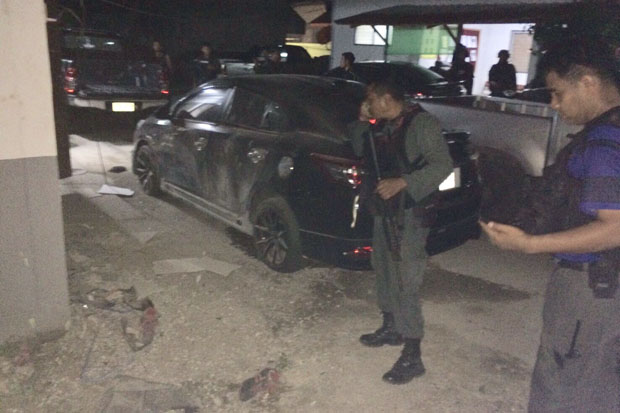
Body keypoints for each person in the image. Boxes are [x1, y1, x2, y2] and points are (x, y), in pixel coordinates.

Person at [481, 39, 620, 411]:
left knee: (560, 383)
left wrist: (528, 245)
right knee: (600, 380)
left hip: (592, 288)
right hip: (609, 288)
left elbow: (614, 228)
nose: (554, 105)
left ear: (588, 82)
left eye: (558, 93)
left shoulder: (604, 142)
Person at [348, 80, 453, 384]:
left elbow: (442, 165)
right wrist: (361, 119)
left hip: (410, 211)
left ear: (385, 99)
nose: (369, 104)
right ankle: (391, 325)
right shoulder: (380, 125)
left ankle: (413, 353)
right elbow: (358, 146)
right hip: (385, 210)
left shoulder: (422, 124)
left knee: (406, 278)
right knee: (382, 268)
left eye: (371, 99)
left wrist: (405, 182)